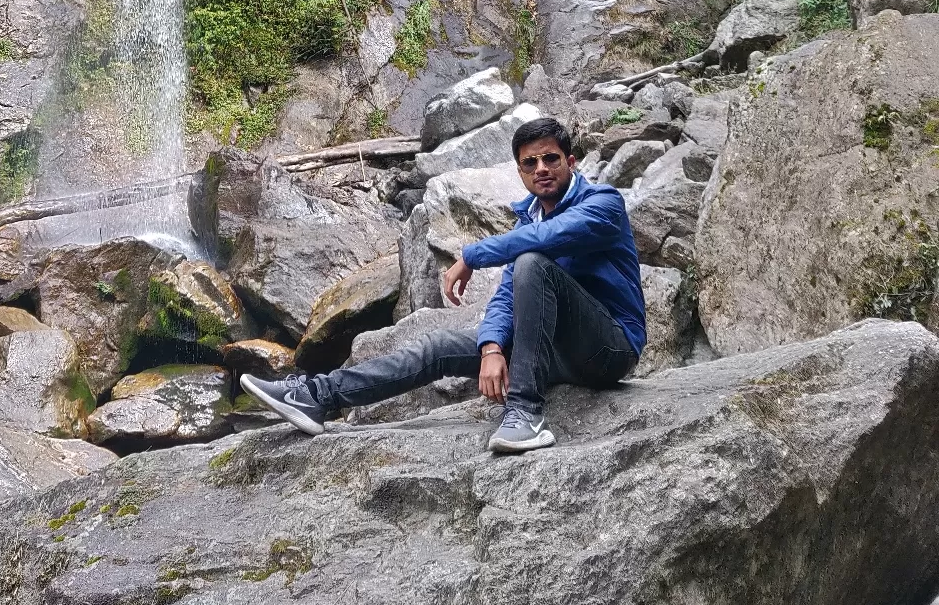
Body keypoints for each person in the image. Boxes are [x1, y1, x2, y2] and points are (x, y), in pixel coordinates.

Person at [240, 114, 646, 455]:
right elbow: (508, 296)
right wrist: (490, 348)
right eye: (530, 162)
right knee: (437, 347)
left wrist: (471, 254)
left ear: (570, 162)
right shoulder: (531, 219)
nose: (541, 168)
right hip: (553, 349)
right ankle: (319, 396)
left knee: (532, 261)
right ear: (520, 171)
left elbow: (546, 243)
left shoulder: (603, 204)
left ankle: (525, 414)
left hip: (609, 349)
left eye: (550, 159)